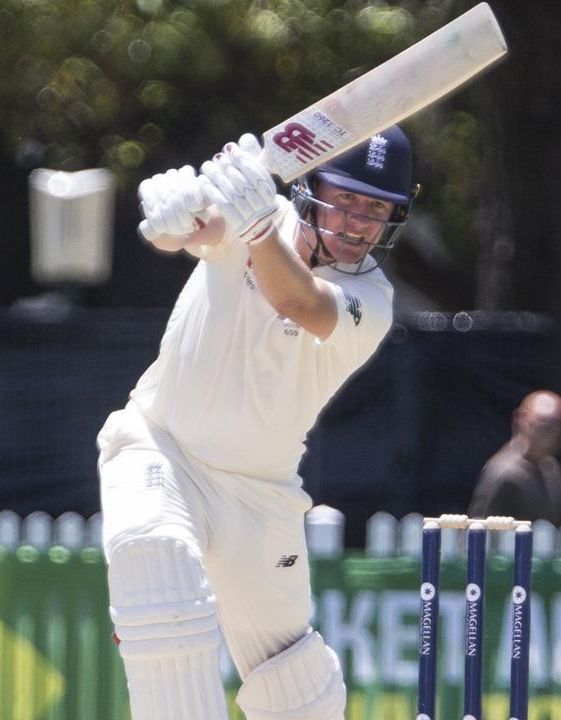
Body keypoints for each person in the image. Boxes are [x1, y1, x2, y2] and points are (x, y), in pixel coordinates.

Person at [97, 127, 418, 719]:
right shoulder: (257, 210)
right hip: (160, 447)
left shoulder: (370, 301)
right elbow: (196, 231)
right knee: (156, 558)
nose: (356, 223)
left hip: (260, 493)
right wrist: (173, 212)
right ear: (312, 186)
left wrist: (256, 231)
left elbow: (301, 301)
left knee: (296, 687)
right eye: (346, 198)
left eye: (376, 208)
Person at [468, 390, 561, 524]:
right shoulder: (504, 473)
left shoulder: (552, 469)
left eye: (558, 425)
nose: (551, 432)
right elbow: (479, 529)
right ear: (520, 419)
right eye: (543, 424)